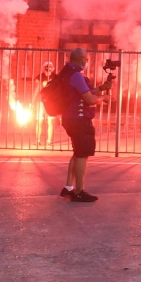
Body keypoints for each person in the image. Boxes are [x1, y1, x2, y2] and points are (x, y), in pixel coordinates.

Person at [57, 48, 109, 203]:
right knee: (82, 154)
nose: (87, 62)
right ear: (80, 59)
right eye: (86, 59)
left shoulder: (67, 73)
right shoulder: (76, 75)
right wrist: (103, 97)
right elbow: (90, 100)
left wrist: (100, 88)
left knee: (77, 152)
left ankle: (68, 188)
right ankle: (79, 191)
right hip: (79, 120)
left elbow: (82, 93)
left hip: (70, 118)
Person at [33, 61, 57, 147]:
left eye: (50, 66)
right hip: (41, 101)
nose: (48, 68)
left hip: (51, 102)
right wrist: (32, 101)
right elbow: (37, 88)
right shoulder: (41, 76)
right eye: (47, 67)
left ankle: (49, 141)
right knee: (40, 121)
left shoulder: (55, 76)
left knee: (50, 121)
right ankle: (38, 140)